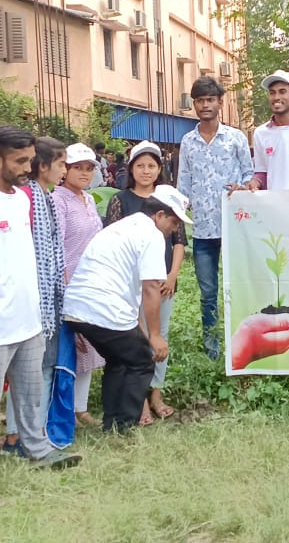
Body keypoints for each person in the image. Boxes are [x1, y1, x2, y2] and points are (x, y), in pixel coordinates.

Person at [0, 126, 78, 510]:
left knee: (29, 392)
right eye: (20, 161)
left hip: (28, 317)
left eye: (30, 159)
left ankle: (37, 448)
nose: (28, 167)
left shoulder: (22, 199)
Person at [63, 187, 189, 432]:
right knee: (141, 361)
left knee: (120, 359)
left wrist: (143, 331)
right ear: (160, 215)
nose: (174, 230)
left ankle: (113, 424)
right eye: (174, 222)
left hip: (79, 305)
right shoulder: (151, 235)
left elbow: (134, 295)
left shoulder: (126, 227)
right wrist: (155, 336)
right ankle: (124, 426)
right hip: (103, 307)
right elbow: (151, 288)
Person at [105, 142, 187, 424]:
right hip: (130, 285)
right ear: (131, 168)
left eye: (151, 165)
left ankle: (156, 393)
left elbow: (179, 242)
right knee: (136, 338)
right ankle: (137, 399)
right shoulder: (120, 201)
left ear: (159, 169)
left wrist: (172, 275)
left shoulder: (169, 198)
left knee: (159, 335)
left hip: (163, 283)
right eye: (140, 165)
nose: (146, 171)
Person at [178, 76, 254, 359]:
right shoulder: (188, 142)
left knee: (238, 288)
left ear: (220, 103)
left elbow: (250, 175)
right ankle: (212, 348)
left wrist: (244, 187)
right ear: (194, 105)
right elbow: (183, 184)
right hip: (202, 232)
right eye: (200, 100)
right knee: (208, 292)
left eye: (210, 100)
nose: (205, 105)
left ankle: (243, 346)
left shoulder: (235, 138)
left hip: (236, 228)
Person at [52, 143, 107, 427]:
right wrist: (63, 284)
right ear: (65, 170)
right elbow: (57, 245)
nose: (85, 173)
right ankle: (62, 408)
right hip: (67, 281)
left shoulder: (88, 199)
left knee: (88, 346)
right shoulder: (58, 199)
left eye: (89, 168)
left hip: (89, 281)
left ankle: (80, 407)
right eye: (78, 167)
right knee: (69, 346)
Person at [18, 138, 68, 431]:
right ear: (43, 165)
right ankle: (28, 431)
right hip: (34, 296)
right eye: (61, 164)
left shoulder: (47, 196)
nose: (64, 170)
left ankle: (38, 427)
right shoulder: (27, 198)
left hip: (49, 295)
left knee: (47, 363)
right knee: (34, 368)